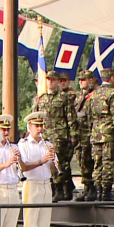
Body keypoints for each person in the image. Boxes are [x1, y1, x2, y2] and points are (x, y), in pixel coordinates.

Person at [33, 71, 74, 201]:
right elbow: (35, 117)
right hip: (45, 135)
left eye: (53, 80)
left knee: (60, 163)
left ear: (57, 82)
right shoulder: (41, 98)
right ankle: (53, 188)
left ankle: (61, 189)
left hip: (59, 135)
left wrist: (72, 135)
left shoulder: (63, 98)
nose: (50, 82)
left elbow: (70, 118)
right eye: (48, 79)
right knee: (47, 162)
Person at [90, 68, 114, 201]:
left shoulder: (94, 94)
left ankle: (97, 190)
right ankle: (106, 192)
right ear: (111, 78)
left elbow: (89, 114)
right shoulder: (113, 93)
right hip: (108, 133)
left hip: (96, 132)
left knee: (97, 163)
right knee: (108, 162)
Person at [19, 112, 55, 227]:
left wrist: (54, 159)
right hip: (32, 185)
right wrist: (41, 161)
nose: (40, 129)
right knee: (31, 223)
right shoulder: (23, 144)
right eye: (37, 126)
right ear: (29, 127)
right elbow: (23, 167)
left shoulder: (48, 144)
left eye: (41, 126)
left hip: (46, 185)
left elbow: (55, 170)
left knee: (44, 224)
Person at [0, 114, 22, 227]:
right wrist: (6, 164)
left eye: (7, 129)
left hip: (13, 189)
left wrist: (19, 161)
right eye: (3, 129)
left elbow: (20, 169)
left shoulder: (14, 146)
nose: (6, 132)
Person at [73, 71, 97, 201]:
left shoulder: (94, 96)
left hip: (90, 133)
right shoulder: (78, 97)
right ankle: (86, 188)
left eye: (85, 79)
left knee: (90, 161)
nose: (81, 82)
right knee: (81, 161)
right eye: (80, 80)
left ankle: (93, 188)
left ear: (91, 80)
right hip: (79, 134)